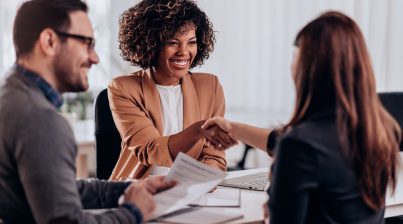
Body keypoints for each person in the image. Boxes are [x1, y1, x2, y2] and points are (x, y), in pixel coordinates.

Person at [203, 11, 401, 223]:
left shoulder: (300, 145)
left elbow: (296, 147)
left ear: (308, 69)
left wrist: (274, 205)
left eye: (296, 57)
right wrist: (233, 128)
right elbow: (286, 141)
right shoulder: (377, 131)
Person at [0, 0, 175, 223]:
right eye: (87, 43)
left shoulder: (10, 96)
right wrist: (134, 212)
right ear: (49, 42)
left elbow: (58, 191)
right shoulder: (40, 119)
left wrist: (130, 188)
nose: (95, 58)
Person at [108, 0, 236, 181]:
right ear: (151, 44)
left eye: (191, 42)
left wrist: (204, 183)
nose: (184, 52)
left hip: (191, 191)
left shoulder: (210, 87)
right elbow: (150, 149)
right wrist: (198, 130)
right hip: (139, 189)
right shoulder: (123, 88)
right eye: (173, 42)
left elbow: (214, 156)